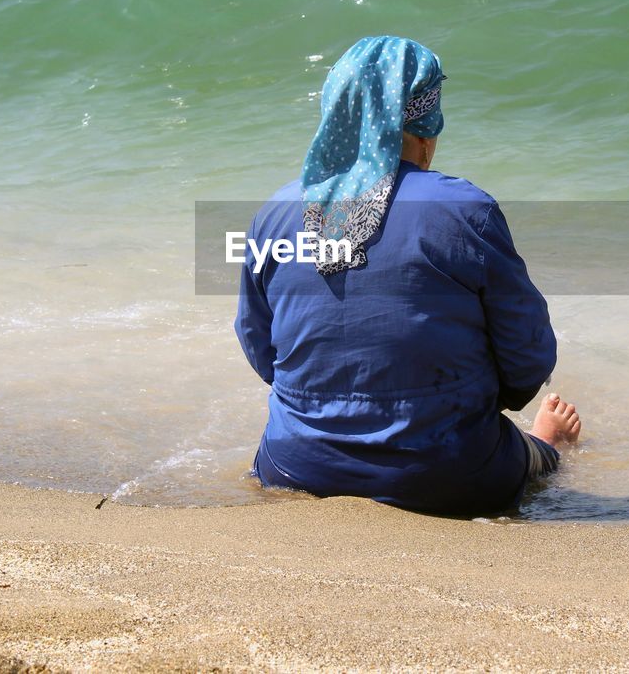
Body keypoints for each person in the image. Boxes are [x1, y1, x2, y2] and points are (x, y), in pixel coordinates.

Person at [234, 36, 582, 517]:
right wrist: (487, 401)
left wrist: (329, 400)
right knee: (529, 453)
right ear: (424, 127)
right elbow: (527, 352)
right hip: (446, 473)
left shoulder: (273, 213)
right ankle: (545, 442)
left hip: (295, 466)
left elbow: (259, 345)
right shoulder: (465, 209)